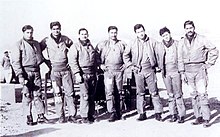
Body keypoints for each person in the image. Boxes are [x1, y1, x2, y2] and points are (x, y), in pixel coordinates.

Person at [178, 20, 219, 128]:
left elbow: (214, 50)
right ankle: (198, 116)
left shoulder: (202, 39)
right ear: (184, 29)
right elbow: (179, 58)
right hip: (188, 71)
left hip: (200, 70)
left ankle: (206, 118)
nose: (189, 30)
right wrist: (182, 72)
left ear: (194, 28)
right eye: (187, 28)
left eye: (191, 28)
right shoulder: (181, 42)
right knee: (193, 94)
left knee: (202, 94)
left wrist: (209, 64)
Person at [123, 24, 163, 121]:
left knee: (154, 92)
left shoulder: (152, 41)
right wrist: (131, 66)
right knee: (140, 93)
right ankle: (142, 113)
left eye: (142, 31)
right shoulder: (132, 43)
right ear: (136, 33)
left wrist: (158, 65)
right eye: (138, 32)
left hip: (150, 69)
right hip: (138, 71)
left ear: (144, 31)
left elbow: (159, 53)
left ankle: (158, 113)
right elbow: (125, 55)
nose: (141, 34)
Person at [40, 21, 77, 123]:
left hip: (66, 71)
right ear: (51, 30)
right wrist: (47, 62)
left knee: (70, 93)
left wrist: (70, 61)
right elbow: (38, 51)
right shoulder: (46, 41)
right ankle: (61, 115)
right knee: (57, 94)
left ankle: (72, 115)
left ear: (60, 29)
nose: (56, 31)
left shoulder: (65, 39)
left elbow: (74, 49)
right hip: (54, 71)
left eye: (58, 29)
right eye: (54, 29)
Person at [11, 25, 48, 125]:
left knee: (38, 94)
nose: (29, 34)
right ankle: (28, 116)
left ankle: (41, 116)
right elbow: (15, 62)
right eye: (27, 32)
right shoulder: (18, 45)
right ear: (23, 33)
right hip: (25, 72)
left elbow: (41, 53)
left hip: (36, 71)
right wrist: (20, 76)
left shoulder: (36, 44)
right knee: (27, 95)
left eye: (31, 32)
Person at [96, 26, 126, 122]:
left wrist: (125, 65)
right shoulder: (103, 44)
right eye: (111, 32)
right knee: (109, 91)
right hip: (108, 72)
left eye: (115, 32)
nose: (113, 34)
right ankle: (112, 112)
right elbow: (95, 55)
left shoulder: (122, 44)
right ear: (108, 33)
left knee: (119, 91)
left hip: (119, 71)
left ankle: (119, 111)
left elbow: (128, 55)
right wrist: (100, 65)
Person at [156, 27, 186, 123]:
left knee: (178, 94)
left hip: (176, 71)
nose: (166, 37)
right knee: (170, 94)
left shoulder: (177, 44)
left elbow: (182, 56)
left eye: (167, 34)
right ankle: (173, 114)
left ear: (170, 34)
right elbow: (157, 57)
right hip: (166, 73)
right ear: (161, 37)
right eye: (164, 35)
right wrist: (159, 67)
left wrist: (181, 71)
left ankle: (181, 115)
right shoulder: (159, 46)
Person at [68, 28, 97, 124]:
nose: (84, 36)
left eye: (85, 34)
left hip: (92, 73)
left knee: (91, 95)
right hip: (82, 74)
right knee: (85, 96)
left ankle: (90, 114)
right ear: (79, 35)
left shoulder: (91, 46)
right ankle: (84, 116)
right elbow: (73, 61)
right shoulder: (75, 47)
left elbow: (95, 60)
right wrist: (77, 74)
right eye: (82, 34)